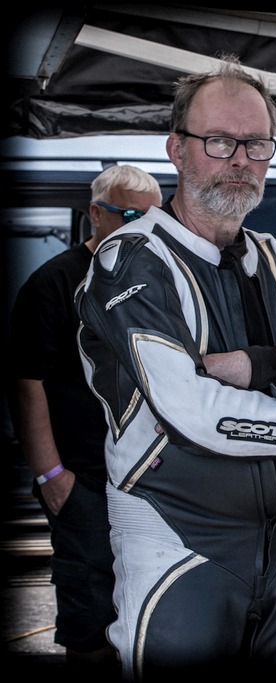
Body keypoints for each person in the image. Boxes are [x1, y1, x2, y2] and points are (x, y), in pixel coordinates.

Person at [73, 55, 276, 681]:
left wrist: (273, 365)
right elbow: (191, 410)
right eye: (220, 141)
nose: (240, 160)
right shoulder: (131, 259)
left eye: (257, 144)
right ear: (177, 149)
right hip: (175, 540)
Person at [7, 164, 163, 674]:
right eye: (130, 216)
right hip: (86, 483)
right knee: (91, 621)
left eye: (154, 218)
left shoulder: (158, 280)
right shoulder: (53, 283)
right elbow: (26, 382)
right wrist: (52, 477)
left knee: (149, 615)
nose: (143, 229)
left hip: (152, 481)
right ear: (96, 214)